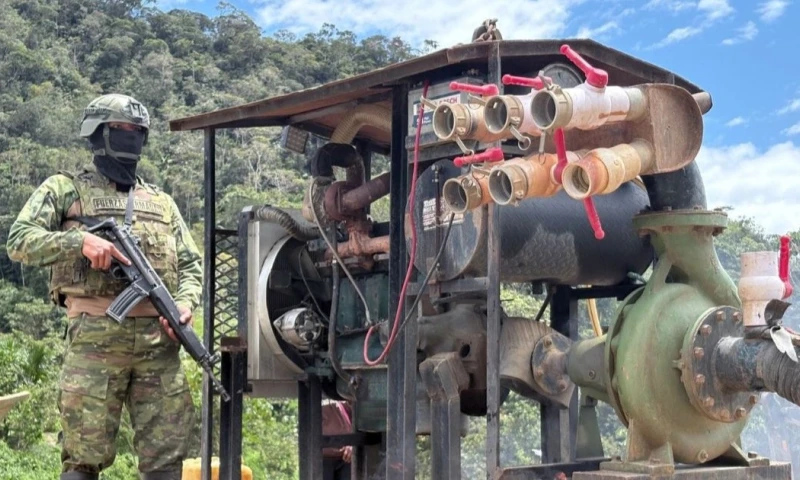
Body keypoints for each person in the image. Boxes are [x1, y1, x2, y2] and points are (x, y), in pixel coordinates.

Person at [6, 93, 203, 480]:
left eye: (136, 132)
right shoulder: (64, 189)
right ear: (98, 134)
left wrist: (184, 303)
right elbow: (19, 239)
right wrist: (80, 242)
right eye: (120, 130)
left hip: (159, 344)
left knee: (168, 460)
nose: (130, 138)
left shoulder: (162, 203)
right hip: (94, 342)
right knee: (83, 460)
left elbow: (192, 264)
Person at [322, 399, 353, 480]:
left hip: (346, 460)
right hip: (323, 459)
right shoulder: (324, 406)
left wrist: (353, 445)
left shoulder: (350, 407)